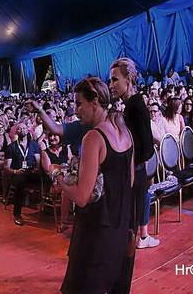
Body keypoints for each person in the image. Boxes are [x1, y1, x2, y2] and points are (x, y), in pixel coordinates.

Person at [58, 77, 134, 294]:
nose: (76, 110)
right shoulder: (125, 132)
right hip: (119, 228)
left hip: (95, 231)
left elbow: (82, 197)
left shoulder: (93, 138)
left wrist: (58, 178)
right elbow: (128, 181)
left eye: (79, 103)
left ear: (95, 102)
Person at [108, 58, 158, 260]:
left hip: (136, 171)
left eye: (115, 80)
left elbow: (145, 147)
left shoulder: (135, 106)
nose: (111, 85)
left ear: (128, 79)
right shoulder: (131, 105)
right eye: (110, 81)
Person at [3, 122, 41, 225]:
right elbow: (7, 167)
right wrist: (15, 171)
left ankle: (45, 207)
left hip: (31, 171)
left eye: (24, 128)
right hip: (17, 173)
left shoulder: (34, 144)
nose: (22, 130)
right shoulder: (11, 147)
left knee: (44, 177)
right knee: (20, 182)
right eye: (20, 129)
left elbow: (38, 160)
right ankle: (17, 214)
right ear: (16, 132)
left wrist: (37, 169)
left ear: (28, 130)